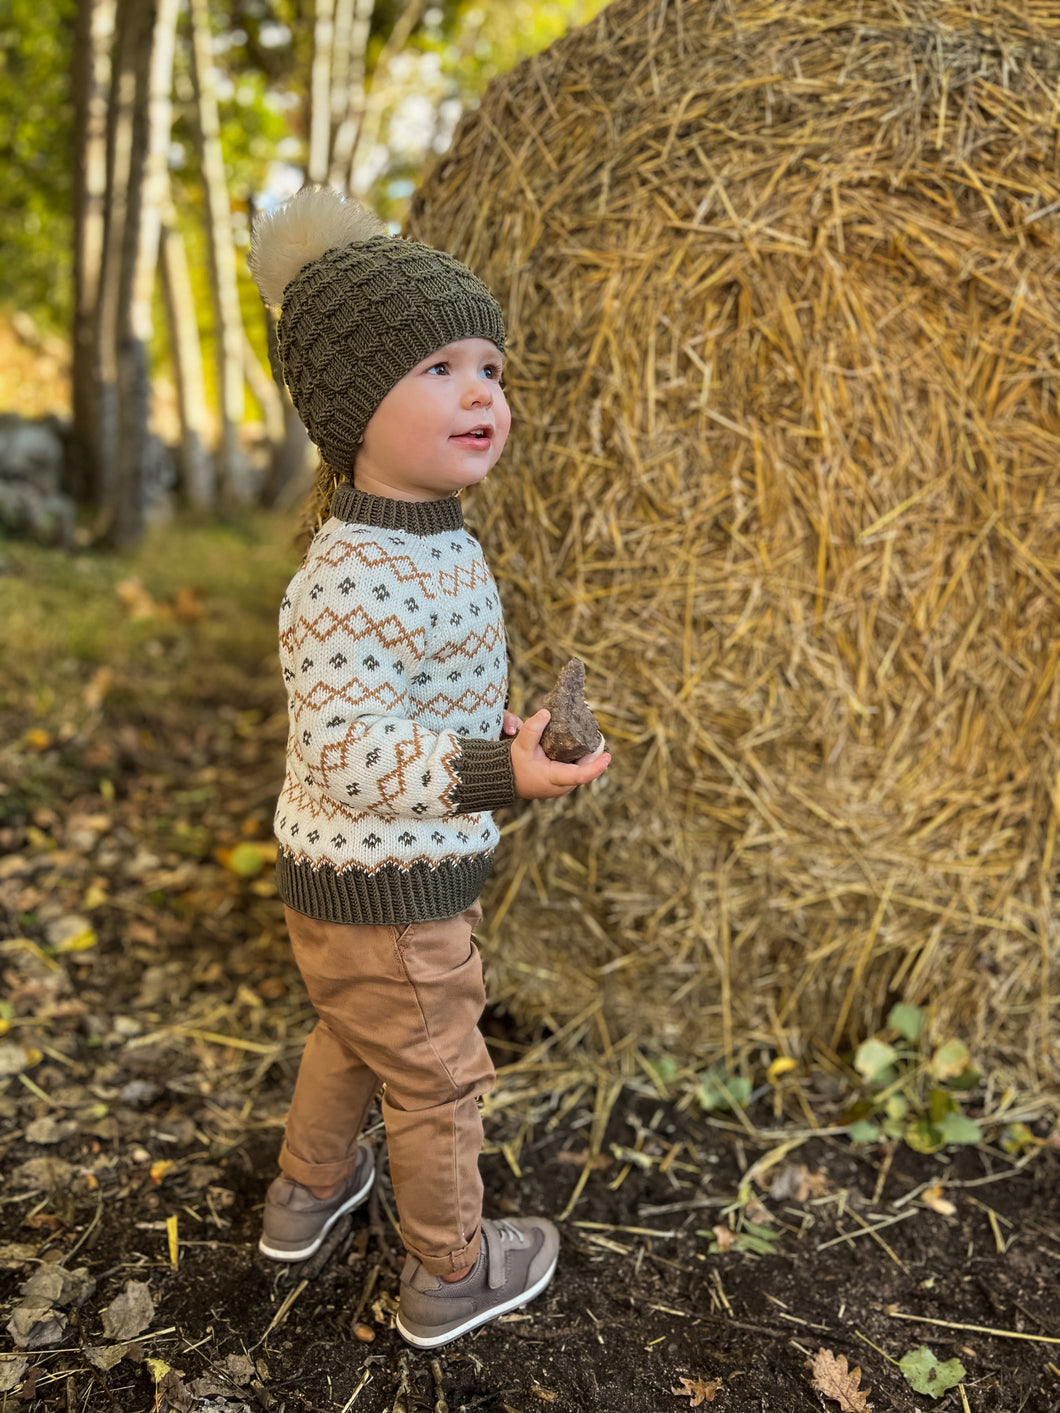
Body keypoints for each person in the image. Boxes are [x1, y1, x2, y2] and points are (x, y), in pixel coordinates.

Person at [247, 187, 611, 1350]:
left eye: (490, 369)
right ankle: (450, 1269)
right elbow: (351, 752)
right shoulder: (351, 578)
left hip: (369, 881)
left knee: (353, 1036)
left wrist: (495, 736)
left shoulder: (432, 543)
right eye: (439, 369)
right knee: (441, 1069)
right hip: (386, 887)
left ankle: (305, 1199)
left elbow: (414, 704)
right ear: (355, 406)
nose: (480, 393)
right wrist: (503, 778)